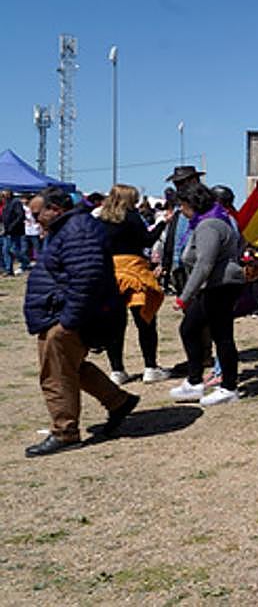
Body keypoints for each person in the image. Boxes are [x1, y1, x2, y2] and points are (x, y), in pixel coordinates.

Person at [23, 187, 138, 456]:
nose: (35, 218)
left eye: (38, 213)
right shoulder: (71, 228)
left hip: (68, 316)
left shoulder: (77, 230)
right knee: (71, 366)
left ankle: (65, 432)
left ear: (56, 209)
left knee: (56, 373)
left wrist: (68, 321)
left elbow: (87, 279)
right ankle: (118, 401)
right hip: (64, 313)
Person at [169, 182, 245, 407]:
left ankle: (228, 388)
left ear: (192, 204)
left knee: (222, 336)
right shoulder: (210, 221)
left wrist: (185, 295)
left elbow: (204, 264)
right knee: (189, 328)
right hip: (215, 285)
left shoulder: (209, 225)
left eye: (182, 205)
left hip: (221, 285)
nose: (181, 211)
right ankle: (194, 382)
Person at [97, 185, 170, 384]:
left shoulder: (100, 220)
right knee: (145, 320)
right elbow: (147, 240)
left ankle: (117, 370)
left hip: (110, 274)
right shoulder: (131, 217)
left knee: (114, 324)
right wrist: (162, 223)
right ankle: (150, 367)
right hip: (134, 271)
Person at [3, 191, 30, 275]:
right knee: (6, 250)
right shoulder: (7, 203)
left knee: (14, 250)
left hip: (16, 231)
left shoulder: (16, 202)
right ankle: (8, 270)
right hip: (7, 231)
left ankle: (25, 261)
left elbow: (20, 216)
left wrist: (12, 226)